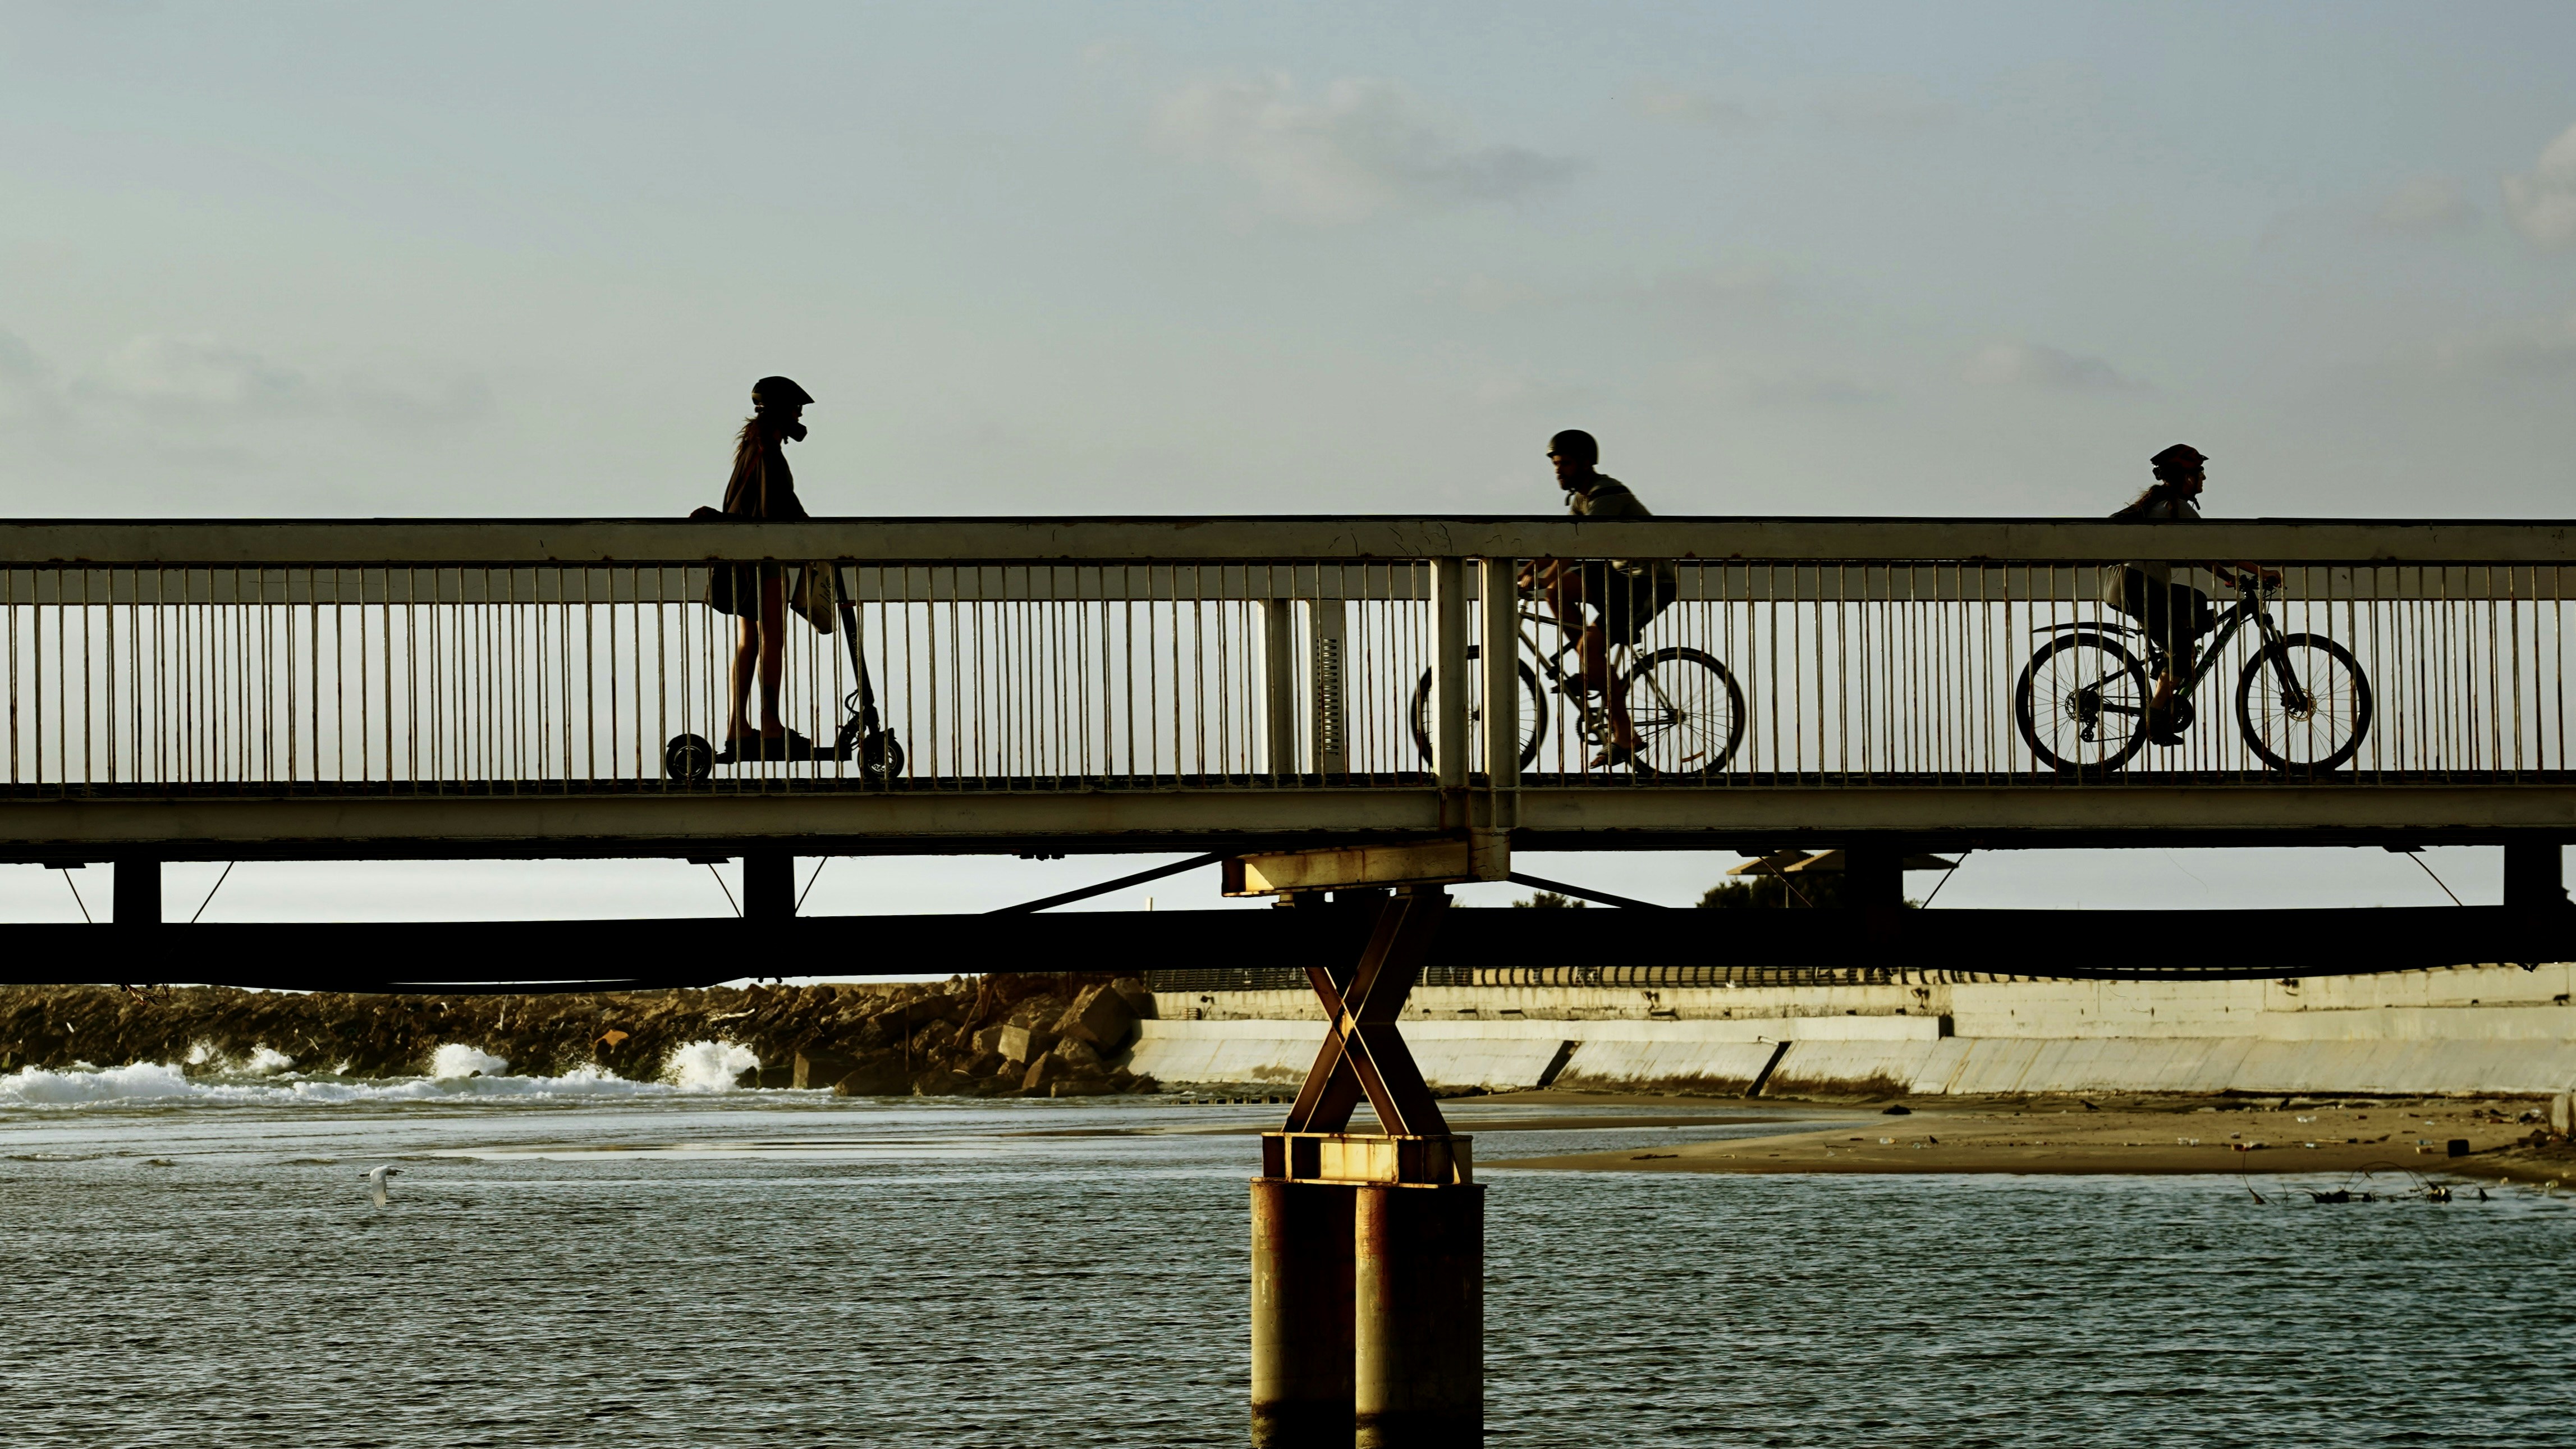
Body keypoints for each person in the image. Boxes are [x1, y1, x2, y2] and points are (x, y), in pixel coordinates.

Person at [1521, 429, 1677, 765]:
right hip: (1622, 579)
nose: (1558, 471)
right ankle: (1594, 668)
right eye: (1555, 465)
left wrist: (1544, 573)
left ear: (1586, 463)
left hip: (1649, 583)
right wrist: (1526, 571)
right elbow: (1560, 542)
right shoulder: (1582, 498)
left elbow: (1581, 545)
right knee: (1557, 590)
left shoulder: (1607, 494)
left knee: (1588, 643)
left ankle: (1625, 735)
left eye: (1565, 463)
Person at [2107, 443, 2270, 743]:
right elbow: (2217, 548)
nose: (2204, 478)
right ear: (2187, 478)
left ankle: (2174, 659)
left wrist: (2226, 577)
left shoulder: (2167, 505)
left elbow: (2203, 554)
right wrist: (2262, 572)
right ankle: (2154, 721)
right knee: (2183, 656)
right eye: (2200, 473)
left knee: (2196, 601)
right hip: (2138, 586)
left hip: (2137, 584)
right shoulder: (2175, 507)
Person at [714, 375, 815, 756]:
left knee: (749, 640)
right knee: (773, 637)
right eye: (796, 408)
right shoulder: (769, 451)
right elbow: (785, 505)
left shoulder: (749, 447)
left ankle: (737, 726)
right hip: (764, 554)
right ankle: (770, 725)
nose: (799, 414)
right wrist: (815, 539)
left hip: (739, 554)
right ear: (780, 411)